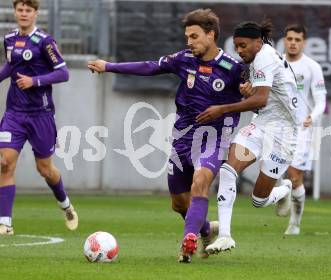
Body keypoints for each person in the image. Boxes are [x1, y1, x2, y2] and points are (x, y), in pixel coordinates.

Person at [88, 9, 244, 263]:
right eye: (187, 36)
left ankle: (188, 241)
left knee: (200, 182)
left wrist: (245, 94)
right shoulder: (184, 59)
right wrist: (109, 67)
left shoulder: (232, 68)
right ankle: (205, 229)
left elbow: (255, 96)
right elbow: (149, 67)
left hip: (215, 137)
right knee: (179, 203)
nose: (189, 42)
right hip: (183, 138)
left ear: (211, 35)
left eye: (194, 36)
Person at [196, 20, 300, 254]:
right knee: (227, 170)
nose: (239, 50)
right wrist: (249, 90)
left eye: (243, 45)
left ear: (258, 42)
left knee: (258, 200)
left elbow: (261, 99)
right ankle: (224, 236)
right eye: (236, 46)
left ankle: (284, 189)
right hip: (261, 125)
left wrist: (221, 109)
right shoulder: (258, 58)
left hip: (283, 133)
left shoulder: (264, 57)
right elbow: (261, 100)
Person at [0, 0, 78, 235]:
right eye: (20, 9)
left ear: (35, 13)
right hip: (14, 112)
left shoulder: (45, 42)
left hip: (40, 115)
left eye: (28, 10)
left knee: (45, 169)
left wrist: (34, 81)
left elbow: (63, 73)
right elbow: (9, 67)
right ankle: (5, 223)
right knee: (4, 163)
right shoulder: (9, 39)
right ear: (15, 11)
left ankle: (64, 203)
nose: (23, 14)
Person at [282, 24, 327, 235]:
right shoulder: (276, 63)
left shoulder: (312, 67)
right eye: (289, 38)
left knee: (294, 175)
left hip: (301, 128)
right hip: (276, 127)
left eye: (297, 40)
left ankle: (295, 222)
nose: (293, 43)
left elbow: (320, 99)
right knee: (270, 172)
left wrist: (313, 116)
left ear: (304, 43)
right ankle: (281, 196)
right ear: (284, 40)